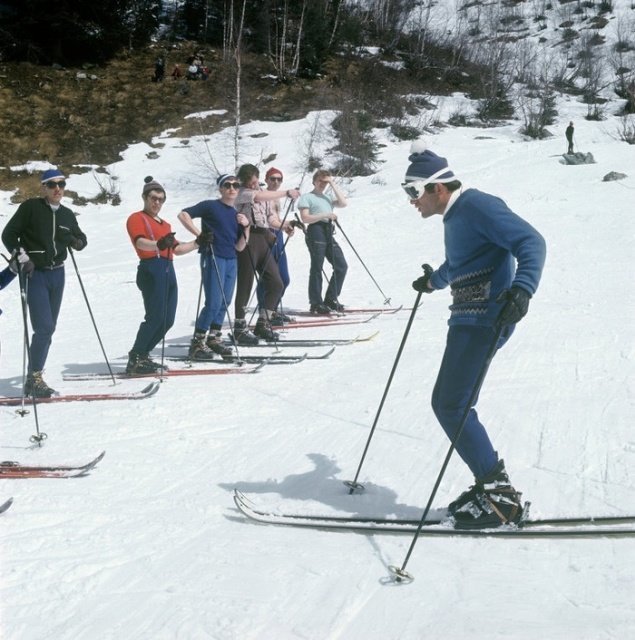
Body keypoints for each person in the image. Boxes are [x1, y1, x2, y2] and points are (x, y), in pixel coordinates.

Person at [402, 141, 546, 529]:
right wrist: (433, 281)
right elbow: (460, 261)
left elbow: (531, 242)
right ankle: (493, 490)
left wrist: (523, 289)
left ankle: (499, 498)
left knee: (452, 406)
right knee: (449, 403)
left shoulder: (478, 205)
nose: (411, 200)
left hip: (487, 319)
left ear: (438, 188)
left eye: (413, 191)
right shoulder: (455, 216)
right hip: (466, 319)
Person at [2, 168, 87, 397]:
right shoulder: (30, 208)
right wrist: (22, 256)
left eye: (61, 184)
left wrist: (76, 242)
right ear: (44, 188)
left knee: (49, 329)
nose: (57, 188)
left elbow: (82, 238)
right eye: (51, 184)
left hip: (57, 274)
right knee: (44, 327)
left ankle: (34, 375)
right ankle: (35, 376)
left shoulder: (67, 214)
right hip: (34, 273)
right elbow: (8, 235)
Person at [125, 176, 207, 374]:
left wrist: (199, 242)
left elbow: (177, 249)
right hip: (151, 267)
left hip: (168, 268)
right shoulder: (137, 218)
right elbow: (139, 242)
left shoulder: (165, 225)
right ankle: (136, 357)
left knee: (167, 319)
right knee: (154, 317)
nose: (157, 203)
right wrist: (159, 244)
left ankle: (143, 354)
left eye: (161, 199)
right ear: (145, 197)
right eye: (153, 198)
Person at [177, 174, 249, 360]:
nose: (232, 188)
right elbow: (183, 215)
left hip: (231, 258)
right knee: (214, 303)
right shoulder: (211, 206)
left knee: (225, 302)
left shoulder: (236, 214)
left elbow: (240, 246)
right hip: (213, 256)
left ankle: (214, 338)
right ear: (221, 188)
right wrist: (200, 236)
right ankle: (197, 342)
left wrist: (246, 226)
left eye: (235, 185)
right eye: (227, 185)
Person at [233, 164, 299, 343]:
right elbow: (259, 196)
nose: (254, 185)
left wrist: (285, 226)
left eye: (255, 181)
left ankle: (263, 321)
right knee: (245, 285)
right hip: (248, 238)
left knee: (276, 282)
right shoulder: (242, 193)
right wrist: (286, 192)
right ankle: (239, 326)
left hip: (263, 237)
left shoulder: (260, 191)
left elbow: (269, 218)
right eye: (251, 182)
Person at [297, 169, 348, 314]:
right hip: (315, 230)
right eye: (320, 181)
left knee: (341, 266)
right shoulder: (307, 197)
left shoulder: (328, 197)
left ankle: (331, 299)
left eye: (324, 181)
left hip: (327, 230)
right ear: (314, 181)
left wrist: (332, 182)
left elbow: (343, 203)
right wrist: (326, 214)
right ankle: (316, 303)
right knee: (317, 267)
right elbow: (305, 218)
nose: (322, 184)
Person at [256, 167, 296, 325]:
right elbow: (266, 221)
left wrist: (287, 226)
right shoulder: (263, 196)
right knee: (268, 278)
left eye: (279, 179)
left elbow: (275, 219)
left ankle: (271, 310)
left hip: (277, 236)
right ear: (266, 180)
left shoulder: (276, 198)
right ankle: (265, 312)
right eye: (273, 178)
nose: (276, 182)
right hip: (266, 236)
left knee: (284, 278)